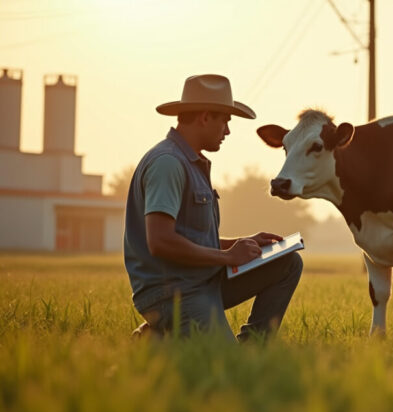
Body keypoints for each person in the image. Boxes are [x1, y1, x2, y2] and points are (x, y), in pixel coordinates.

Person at [125, 74, 303, 342]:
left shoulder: (191, 163)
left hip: (200, 280)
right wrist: (229, 257)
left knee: (287, 263)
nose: (228, 131)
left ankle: (250, 348)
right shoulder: (168, 164)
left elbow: (189, 238)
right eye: (225, 121)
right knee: (226, 367)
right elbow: (161, 241)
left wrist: (241, 244)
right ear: (205, 117)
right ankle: (158, 336)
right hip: (172, 292)